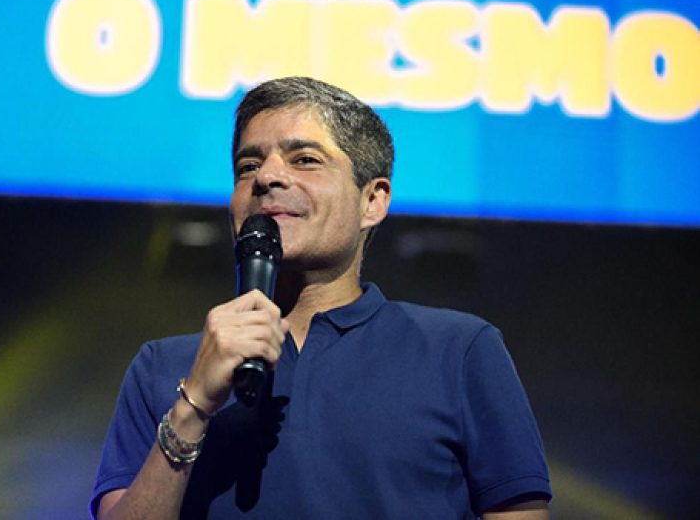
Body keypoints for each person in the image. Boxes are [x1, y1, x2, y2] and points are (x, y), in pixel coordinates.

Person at [91, 77, 552, 519]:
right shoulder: (162, 368)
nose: (267, 176)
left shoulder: (457, 350)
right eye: (248, 166)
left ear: (372, 201)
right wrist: (193, 407)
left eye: (305, 160)